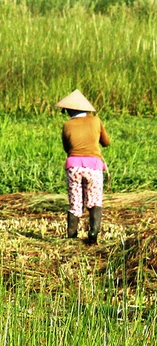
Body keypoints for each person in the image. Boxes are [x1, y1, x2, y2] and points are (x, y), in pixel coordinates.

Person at [55, 89, 110, 245]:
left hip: (73, 166)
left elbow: (67, 148)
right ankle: (92, 233)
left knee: (75, 202)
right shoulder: (95, 120)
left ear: (69, 110)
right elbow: (106, 142)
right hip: (93, 166)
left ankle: (72, 236)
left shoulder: (67, 125)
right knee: (94, 200)